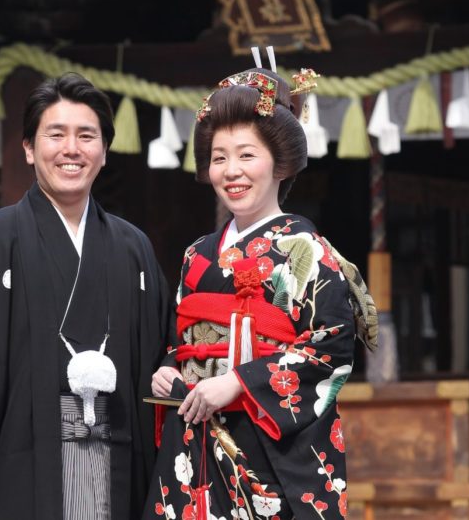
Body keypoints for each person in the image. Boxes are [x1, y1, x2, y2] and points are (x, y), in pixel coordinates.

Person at [0, 73, 171, 520]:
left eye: (87, 136)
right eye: (55, 135)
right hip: (21, 453)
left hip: (117, 450)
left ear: (104, 151)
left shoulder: (132, 247)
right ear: (28, 148)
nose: (72, 149)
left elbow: (164, 349)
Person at [144, 67, 376, 520]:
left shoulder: (305, 248)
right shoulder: (196, 254)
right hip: (194, 437)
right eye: (219, 158)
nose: (231, 171)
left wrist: (237, 382)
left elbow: (329, 349)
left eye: (246, 155)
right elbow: (183, 338)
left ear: (280, 163)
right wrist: (170, 367)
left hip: (266, 446)